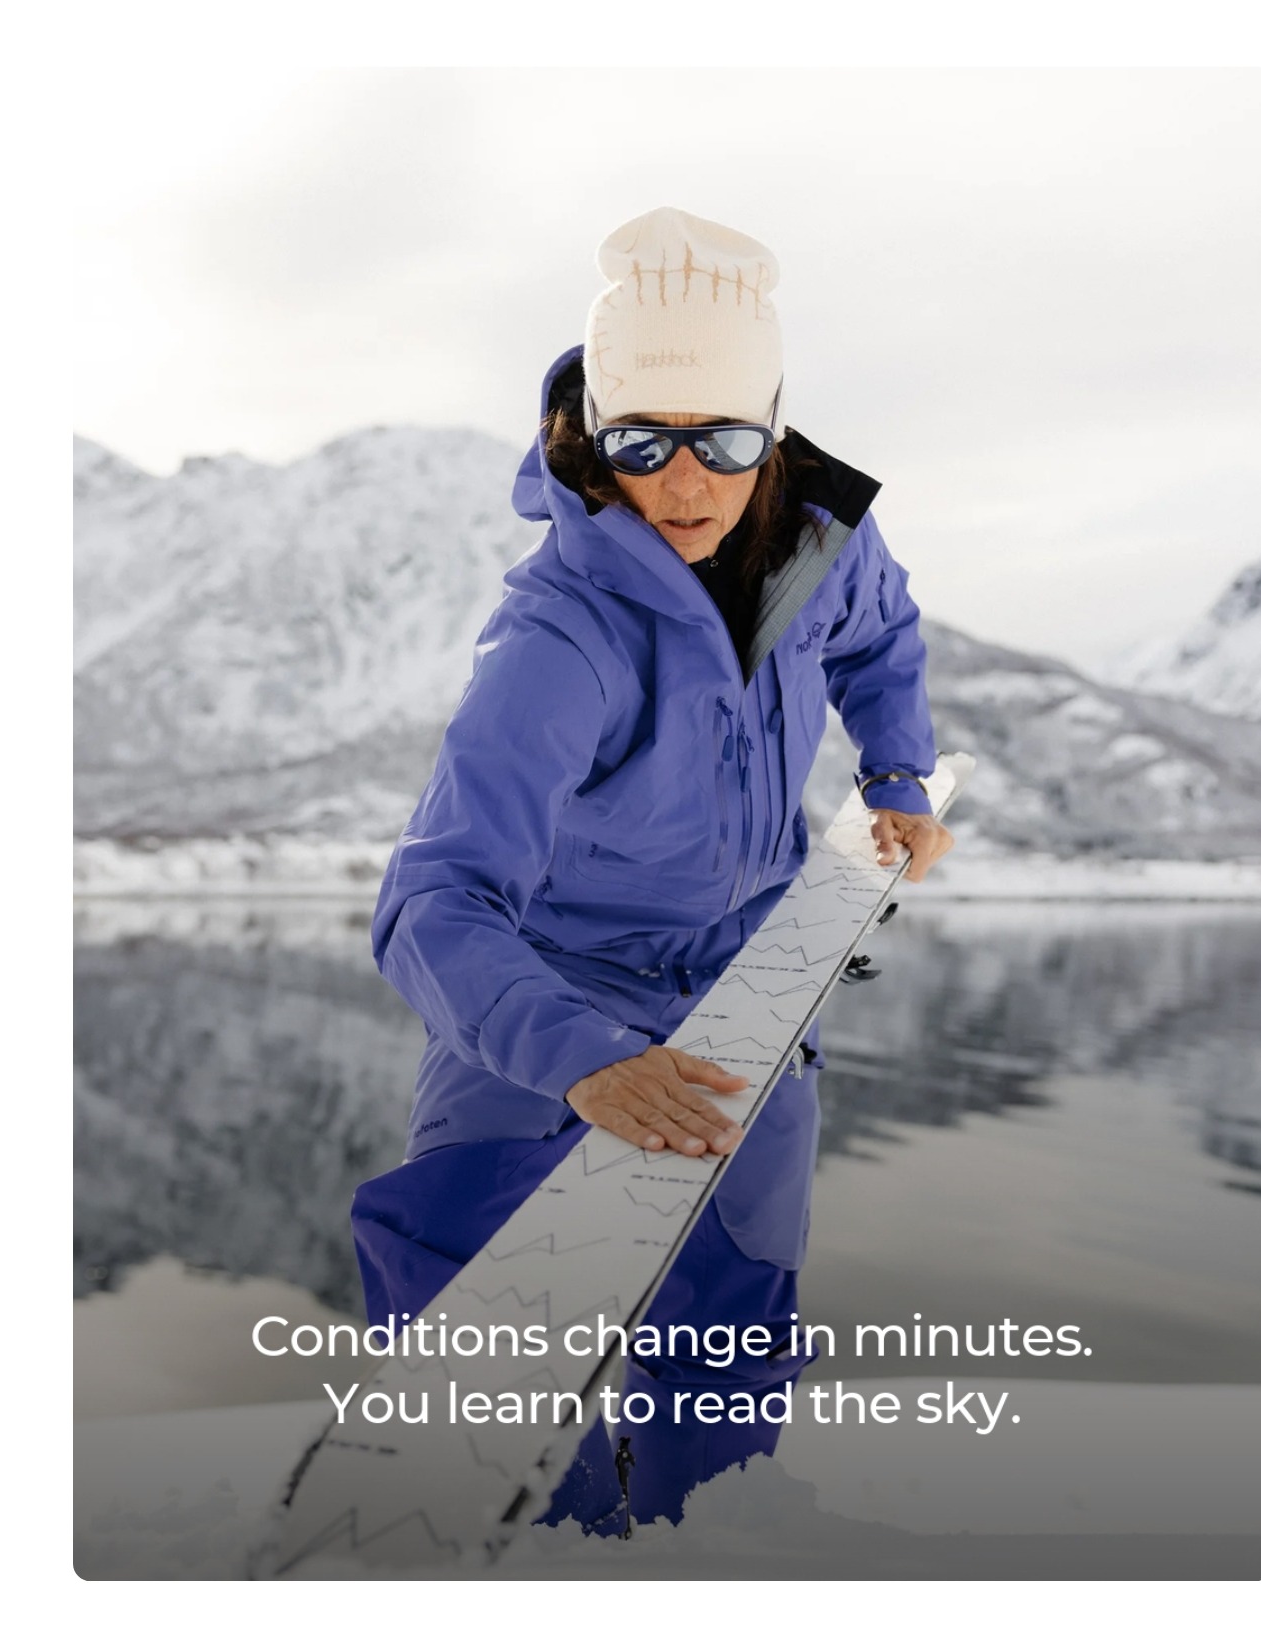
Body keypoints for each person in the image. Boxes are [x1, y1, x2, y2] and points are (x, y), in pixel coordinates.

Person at [351, 206, 953, 1533]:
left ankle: (714, 1536)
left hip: (745, 977)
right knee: (459, 1258)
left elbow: (885, 638)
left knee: (735, 1287)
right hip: (549, 980)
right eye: (643, 444)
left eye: (725, 442)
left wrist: (895, 772)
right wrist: (579, 1056)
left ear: (774, 435)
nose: (683, 484)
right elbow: (430, 905)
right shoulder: (565, 634)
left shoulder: (814, 555)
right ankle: (539, 1552)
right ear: (600, 439)